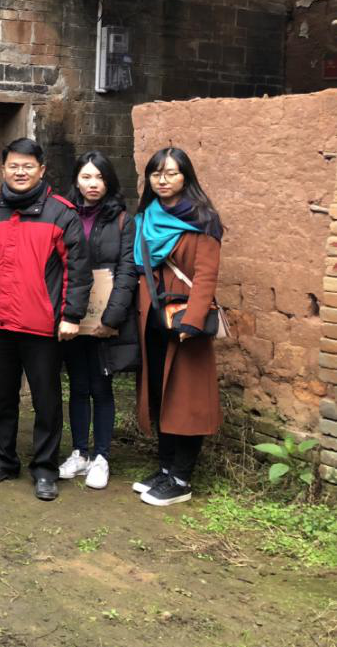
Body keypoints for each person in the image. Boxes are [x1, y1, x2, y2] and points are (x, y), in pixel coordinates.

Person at [0, 137, 91, 502]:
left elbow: (77, 270)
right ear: (3, 169)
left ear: (41, 170)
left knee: (46, 400)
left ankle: (44, 468)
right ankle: (2, 460)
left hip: (43, 325)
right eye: (13, 166)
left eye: (27, 166)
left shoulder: (61, 214)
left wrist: (71, 315)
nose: (20, 172)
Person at [132, 147, 224, 507]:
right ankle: (165, 468)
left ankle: (181, 479)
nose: (163, 180)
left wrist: (193, 321)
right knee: (160, 395)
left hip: (184, 324)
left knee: (186, 401)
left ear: (186, 177)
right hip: (153, 321)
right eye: (156, 174)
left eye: (171, 173)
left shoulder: (203, 220)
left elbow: (206, 276)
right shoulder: (146, 217)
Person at [56, 151, 138, 490]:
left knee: (101, 386)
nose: (93, 184)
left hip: (105, 317)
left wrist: (112, 317)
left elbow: (127, 270)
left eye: (100, 177)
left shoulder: (122, 220)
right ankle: (80, 452)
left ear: (109, 182)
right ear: (76, 180)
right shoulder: (65, 215)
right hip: (73, 315)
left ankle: (102, 456)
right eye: (86, 177)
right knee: (78, 385)